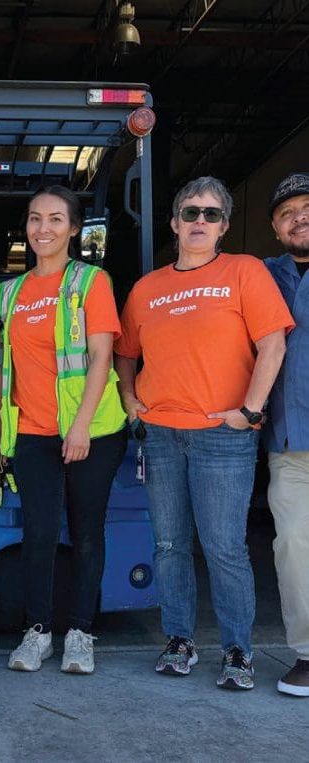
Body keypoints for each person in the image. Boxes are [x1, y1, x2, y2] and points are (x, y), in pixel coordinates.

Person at [114, 176, 294, 691]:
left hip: (224, 436)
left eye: (211, 214)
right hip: (161, 435)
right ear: (173, 223)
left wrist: (250, 413)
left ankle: (238, 650)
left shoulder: (244, 271)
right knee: (170, 544)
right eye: (190, 212)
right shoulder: (147, 288)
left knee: (224, 548)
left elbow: (273, 345)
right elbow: (125, 353)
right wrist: (131, 402)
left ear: (224, 226)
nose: (199, 221)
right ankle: (179, 639)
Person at [0, 186, 127, 675]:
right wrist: (2, 433)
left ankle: (81, 633)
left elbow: (101, 356)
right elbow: (3, 368)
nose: (42, 228)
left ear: (73, 228)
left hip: (92, 432)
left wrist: (82, 426)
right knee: (40, 533)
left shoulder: (92, 282)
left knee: (87, 533)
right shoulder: (9, 293)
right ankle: (38, 632)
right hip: (32, 433)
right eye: (33, 219)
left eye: (54, 219)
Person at [263, 172, 309, 697]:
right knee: (294, 544)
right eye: (288, 211)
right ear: (275, 228)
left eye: (307, 206)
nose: (300, 216)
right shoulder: (260, 274)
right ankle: (307, 653)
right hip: (290, 441)